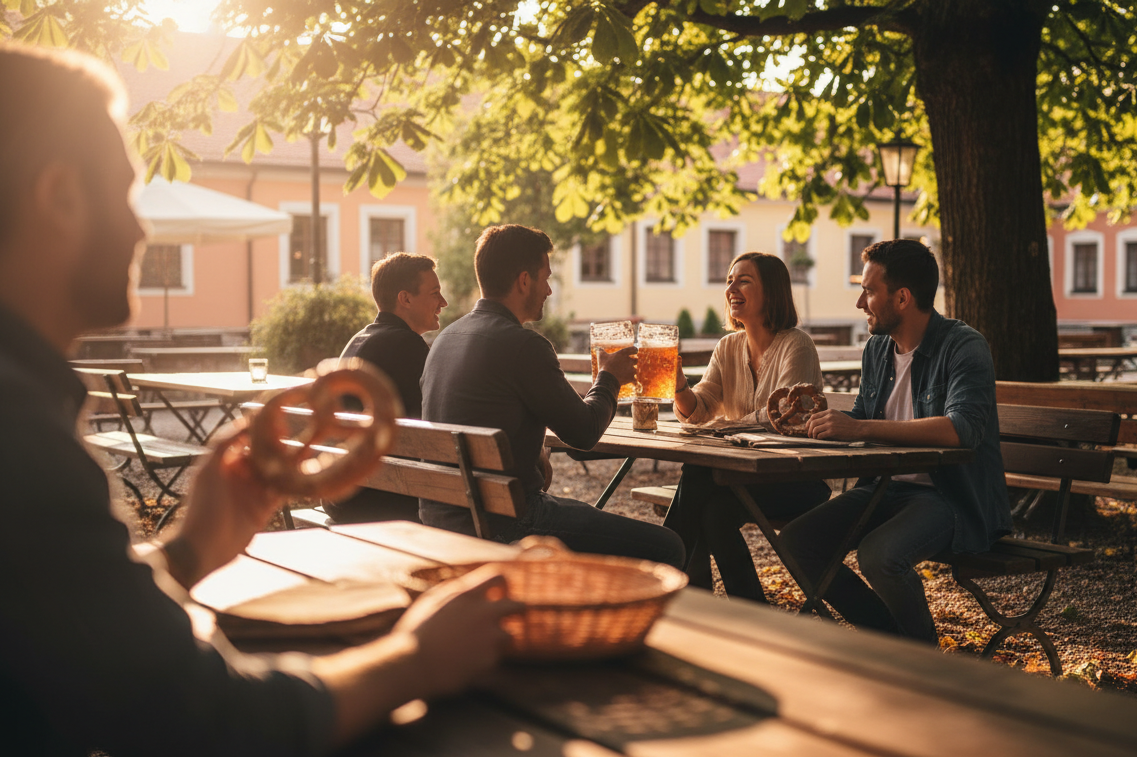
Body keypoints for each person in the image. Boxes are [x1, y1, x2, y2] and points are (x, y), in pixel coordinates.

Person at [0, 44, 521, 757]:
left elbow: (76, 627)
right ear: (59, 195)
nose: (143, 229)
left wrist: (191, 547)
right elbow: (207, 721)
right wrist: (417, 657)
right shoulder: (11, 427)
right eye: (124, 191)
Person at [779, 239, 1011, 645]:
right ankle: (887, 643)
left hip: (950, 497)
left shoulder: (963, 346)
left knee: (879, 556)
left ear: (902, 298)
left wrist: (860, 430)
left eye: (869, 291)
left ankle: (924, 660)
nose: (859, 303)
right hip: (885, 489)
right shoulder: (878, 349)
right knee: (798, 542)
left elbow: (963, 429)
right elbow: (862, 419)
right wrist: (817, 422)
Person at [419, 224, 685, 568]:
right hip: (506, 523)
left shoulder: (446, 339)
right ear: (524, 280)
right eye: (545, 278)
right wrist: (609, 377)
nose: (547, 289)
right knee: (669, 547)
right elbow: (583, 434)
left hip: (444, 519)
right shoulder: (524, 345)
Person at [664, 252, 830, 601]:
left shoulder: (796, 345)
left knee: (697, 477)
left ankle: (664, 568)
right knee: (712, 511)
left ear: (771, 292)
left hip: (797, 477)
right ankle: (742, 605)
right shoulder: (727, 347)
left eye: (744, 280)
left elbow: (779, 416)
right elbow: (701, 409)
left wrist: (723, 427)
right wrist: (678, 386)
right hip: (743, 475)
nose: (731, 288)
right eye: (729, 280)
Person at [323, 252, 447, 524]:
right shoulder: (406, 346)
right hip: (380, 501)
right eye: (435, 293)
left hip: (341, 494)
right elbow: (439, 424)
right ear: (405, 299)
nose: (443, 303)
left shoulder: (360, 339)